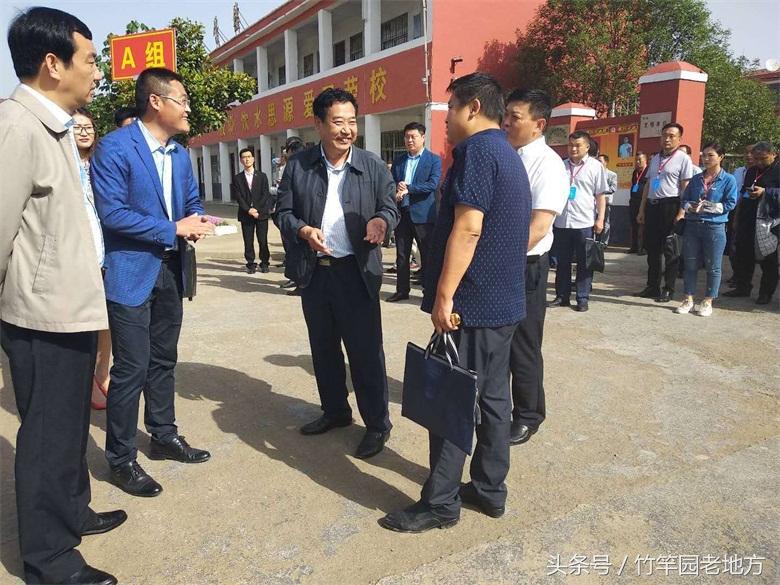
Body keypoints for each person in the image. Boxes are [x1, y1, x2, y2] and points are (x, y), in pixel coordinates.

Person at [1, 8, 125, 585]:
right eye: (91, 60)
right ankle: (50, 560)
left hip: (72, 308)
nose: (97, 72)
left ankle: (74, 511)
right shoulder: (16, 128)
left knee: (71, 428)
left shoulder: (55, 126)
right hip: (41, 316)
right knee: (48, 440)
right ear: (53, 64)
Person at [379, 72, 532, 533]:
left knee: (452, 401)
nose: (444, 119)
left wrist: (443, 296)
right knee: (493, 399)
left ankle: (441, 502)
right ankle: (488, 488)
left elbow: (468, 228)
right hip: (503, 304)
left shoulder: (477, 153)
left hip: (473, 304)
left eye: (450, 108)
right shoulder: (506, 152)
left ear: (473, 108)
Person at [91, 67, 215, 498]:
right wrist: (172, 228)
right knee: (131, 368)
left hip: (170, 269)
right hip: (130, 272)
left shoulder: (179, 153)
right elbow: (112, 214)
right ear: (156, 102)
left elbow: (190, 201)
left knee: (164, 359)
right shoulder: (115, 148)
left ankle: (163, 436)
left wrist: (197, 220)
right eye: (183, 100)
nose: (188, 108)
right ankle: (121, 459)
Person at [276, 88, 398, 459]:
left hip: (356, 273)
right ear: (318, 124)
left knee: (365, 353)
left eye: (352, 122)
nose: (347, 130)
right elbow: (282, 212)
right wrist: (302, 230)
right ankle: (335, 411)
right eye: (338, 122)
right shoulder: (299, 166)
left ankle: (377, 424)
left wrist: (381, 221)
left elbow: (390, 206)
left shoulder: (372, 165)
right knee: (323, 348)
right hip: (316, 273)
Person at [502, 88, 568, 446]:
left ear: (539, 124)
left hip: (525, 265)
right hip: (500, 262)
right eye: (506, 115)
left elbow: (538, 227)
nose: (506, 122)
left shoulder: (548, 165)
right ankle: (496, 407)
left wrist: (498, 259)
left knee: (523, 344)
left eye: (515, 117)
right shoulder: (506, 154)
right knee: (497, 341)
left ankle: (528, 415)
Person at [71, 108, 112, 411]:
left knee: (106, 320)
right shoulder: (62, 164)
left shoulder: (101, 164)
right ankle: (84, 380)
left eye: (89, 127)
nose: (84, 132)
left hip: (105, 250)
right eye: (77, 127)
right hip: (76, 254)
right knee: (83, 321)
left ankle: (102, 373)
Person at [675, 142, 738, 317]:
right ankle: (688, 299)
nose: (706, 159)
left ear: (721, 157)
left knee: (713, 266)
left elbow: (731, 203)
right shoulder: (696, 179)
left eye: (711, 155)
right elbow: (684, 200)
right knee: (690, 263)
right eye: (704, 155)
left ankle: (708, 300)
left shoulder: (728, 179)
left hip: (714, 227)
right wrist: (690, 207)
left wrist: (709, 207)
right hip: (693, 226)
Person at [549, 131, 608, 312]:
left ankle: (582, 298)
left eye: (577, 145)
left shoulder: (595, 167)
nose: (573, 149)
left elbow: (600, 195)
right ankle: (562, 296)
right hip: (562, 222)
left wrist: (600, 219)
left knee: (584, 262)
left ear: (587, 147)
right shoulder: (561, 166)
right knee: (562, 262)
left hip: (584, 222)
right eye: (570, 145)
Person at [635, 123, 694, 303]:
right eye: (664, 135)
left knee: (670, 250)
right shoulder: (655, 159)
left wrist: (681, 212)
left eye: (671, 136)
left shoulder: (683, 159)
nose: (667, 139)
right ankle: (652, 286)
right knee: (652, 249)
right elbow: (648, 185)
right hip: (653, 206)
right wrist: (642, 209)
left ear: (679, 139)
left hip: (671, 206)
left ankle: (668, 289)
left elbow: (685, 188)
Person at [386, 122, 442, 302]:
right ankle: (402, 290)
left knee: (426, 255)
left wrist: (409, 188)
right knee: (402, 254)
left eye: (413, 137)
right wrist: (397, 190)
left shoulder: (433, 160)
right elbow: (391, 182)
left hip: (423, 215)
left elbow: (432, 184)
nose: (409, 140)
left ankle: (428, 292)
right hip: (402, 213)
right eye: (407, 137)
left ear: (422, 137)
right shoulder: (399, 160)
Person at [724, 142, 780, 304]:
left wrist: (766, 192)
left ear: (774, 154)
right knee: (743, 253)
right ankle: (743, 286)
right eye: (756, 158)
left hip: (769, 220)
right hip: (748, 217)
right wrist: (736, 219)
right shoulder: (751, 171)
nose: (759, 162)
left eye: (763, 158)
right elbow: (743, 195)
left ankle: (765, 293)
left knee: (767, 257)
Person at [232, 147, 272, 273]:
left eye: (249, 157)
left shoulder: (262, 176)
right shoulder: (237, 178)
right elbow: (238, 196)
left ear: (253, 159)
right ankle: (250, 264)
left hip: (261, 214)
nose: (247, 159)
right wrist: (248, 210)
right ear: (240, 160)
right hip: (246, 214)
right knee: (248, 241)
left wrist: (256, 209)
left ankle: (264, 263)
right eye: (244, 157)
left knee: (263, 240)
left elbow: (265, 194)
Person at [726, 146, 754, 284]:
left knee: (744, 245)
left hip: (750, 209)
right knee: (732, 243)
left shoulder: (760, 173)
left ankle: (743, 277)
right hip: (734, 209)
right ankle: (736, 273)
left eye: (751, 153)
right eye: (746, 152)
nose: (748, 156)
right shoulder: (738, 171)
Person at [629, 152, 649, 254]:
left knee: (643, 225)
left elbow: (654, 186)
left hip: (644, 202)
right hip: (634, 201)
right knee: (633, 224)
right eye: (636, 160)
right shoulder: (635, 172)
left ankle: (643, 248)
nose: (637, 162)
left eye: (639, 160)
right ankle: (634, 247)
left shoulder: (649, 171)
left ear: (645, 160)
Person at [598, 153, 617, 246]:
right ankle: (595, 241)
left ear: (606, 162)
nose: (598, 163)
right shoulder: (595, 174)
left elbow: (613, 188)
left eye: (600, 161)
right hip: (594, 203)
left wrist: (601, 190)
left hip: (606, 202)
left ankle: (604, 243)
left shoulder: (612, 175)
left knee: (605, 223)